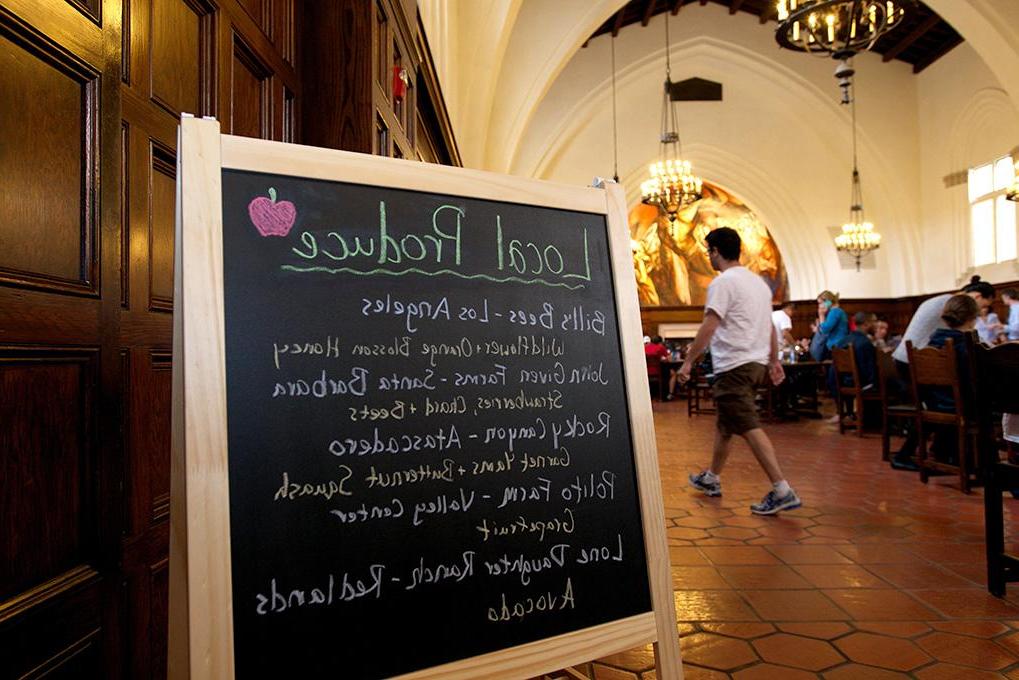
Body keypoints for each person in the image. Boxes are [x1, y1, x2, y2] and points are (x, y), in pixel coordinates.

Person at [678, 227, 800, 516]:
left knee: (747, 425)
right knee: (726, 422)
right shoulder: (758, 283)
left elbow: (710, 324)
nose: (709, 256)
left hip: (734, 364)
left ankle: (782, 489)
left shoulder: (723, 283)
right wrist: (773, 361)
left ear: (716, 251)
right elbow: (770, 326)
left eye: (709, 251)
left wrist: (688, 362)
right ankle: (712, 478)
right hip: (754, 364)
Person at [889, 275, 997, 470]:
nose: (981, 312)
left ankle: (944, 453)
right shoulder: (953, 304)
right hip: (916, 360)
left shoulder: (947, 302)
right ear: (978, 297)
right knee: (943, 404)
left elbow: (965, 337)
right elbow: (970, 338)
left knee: (936, 405)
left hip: (920, 356)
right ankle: (952, 456)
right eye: (982, 307)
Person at [923, 295, 979, 463]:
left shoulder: (933, 343)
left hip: (937, 402)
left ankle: (947, 451)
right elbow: (973, 382)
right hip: (960, 405)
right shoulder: (962, 345)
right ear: (972, 318)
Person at [812, 291, 848, 360]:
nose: (819, 306)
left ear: (828, 302)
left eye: (820, 303)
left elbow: (825, 329)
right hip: (838, 346)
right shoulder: (837, 311)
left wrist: (821, 315)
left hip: (836, 346)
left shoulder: (835, 312)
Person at [644, 335, 674, 399]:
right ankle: (670, 394)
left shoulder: (645, 347)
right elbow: (669, 359)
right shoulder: (660, 347)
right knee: (673, 374)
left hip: (647, 371)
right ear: (660, 342)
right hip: (658, 371)